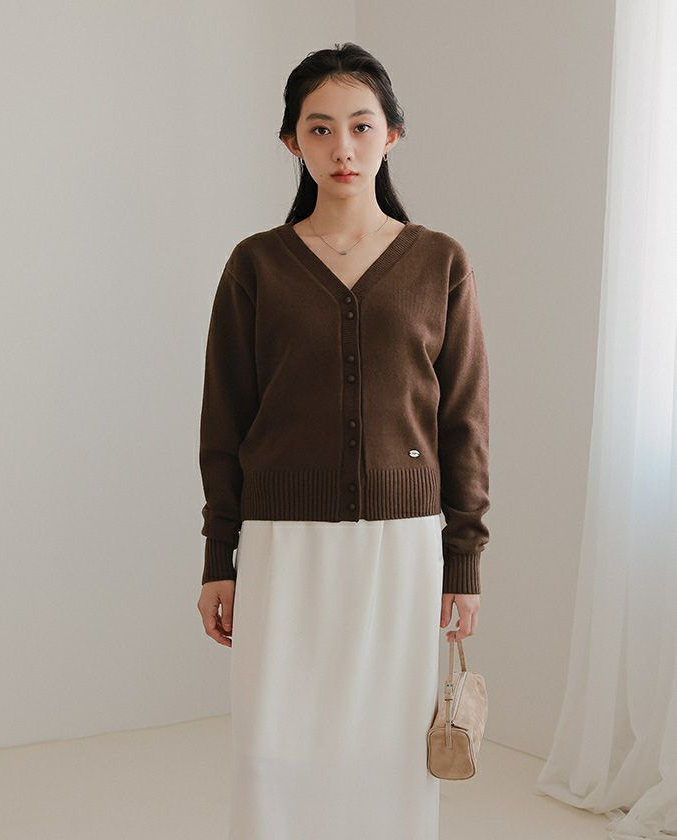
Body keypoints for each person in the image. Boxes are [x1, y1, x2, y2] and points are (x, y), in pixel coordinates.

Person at [196, 42, 490, 840]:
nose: (343, 148)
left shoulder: (440, 262)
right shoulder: (256, 265)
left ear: (392, 134)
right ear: (291, 141)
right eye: (319, 129)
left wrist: (463, 559)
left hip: (402, 547)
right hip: (282, 543)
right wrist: (219, 555)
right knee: (273, 747)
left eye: (361, 126)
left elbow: (463, 420)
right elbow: (225, 418)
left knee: (389, 751)